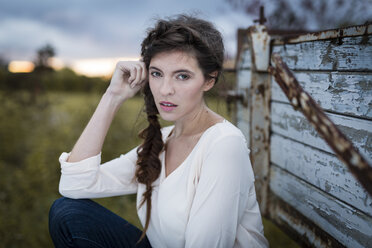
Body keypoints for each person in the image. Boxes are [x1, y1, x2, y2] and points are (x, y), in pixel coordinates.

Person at [48, 14, 269, 248]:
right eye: (156, 73)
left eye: (182, 76)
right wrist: (112, 96)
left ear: (209, 80)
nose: (165, 90)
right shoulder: (162, 140)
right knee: (66, 213)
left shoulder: (224, 145)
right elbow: (74, 185)